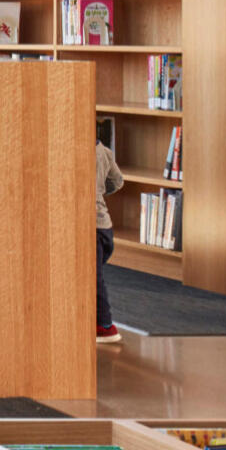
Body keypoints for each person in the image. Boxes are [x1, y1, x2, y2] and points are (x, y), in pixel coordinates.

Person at [95, 140, 125, 344]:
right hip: (105, 226)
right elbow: (117, 181)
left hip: (91, 227)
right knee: (93, 276)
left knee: (93, 279)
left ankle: (105, 326)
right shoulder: (104, 151)